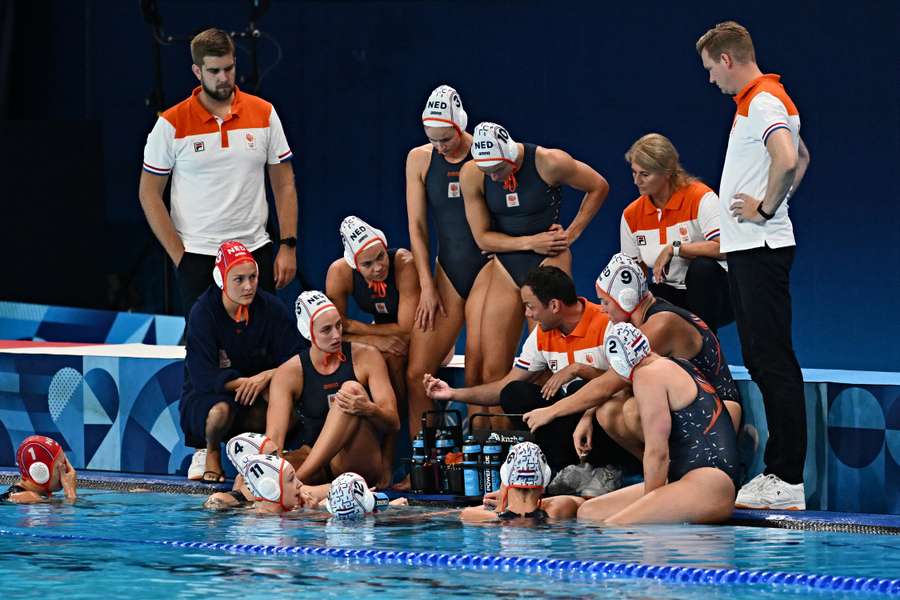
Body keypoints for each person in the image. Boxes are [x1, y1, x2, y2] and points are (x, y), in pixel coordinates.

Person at [696, 21, 811, 509]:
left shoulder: (763, 99)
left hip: (761, 249)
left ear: (727, 59)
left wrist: (765, 209)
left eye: (709, 69)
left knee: (773, 361)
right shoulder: (761, 101)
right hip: (752, 249)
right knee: (766, 359)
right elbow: (802, 157)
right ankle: (783, 476)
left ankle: (787, 479)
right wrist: (774, 204)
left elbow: (787, 158)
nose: (710, 80)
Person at [139, 28, 298, 315]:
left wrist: (288, 245)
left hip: (255, 251)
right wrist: (180, 257)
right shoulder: (171, 124)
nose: (223, 78)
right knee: (209, 353)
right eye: (214, 71)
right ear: (197, 71)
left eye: (229, 68)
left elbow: (284, 182)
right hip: (199, 257)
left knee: (262, 349)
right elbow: (149, 193)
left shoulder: (264, 113)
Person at [424, 266, 638, 477]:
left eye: (530, 306)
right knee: (514, 393)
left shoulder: (607, 324)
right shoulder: (541, 334)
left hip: (602, 420)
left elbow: (626, 383)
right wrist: (452, 393)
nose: (527, 314)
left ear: (554, 305)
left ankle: (605, 469)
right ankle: (563, 470)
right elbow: (502, 388)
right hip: (567, 420)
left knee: (577, 387)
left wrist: (580, 370)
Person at [538, 253, 742, 463]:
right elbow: (615, 384)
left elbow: (608, 384)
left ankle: (677, 471)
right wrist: (587, 415)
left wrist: (551, 412)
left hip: (720, 415)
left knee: (633, 409)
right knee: (608, 411)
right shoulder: (642, 321)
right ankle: (662, 472)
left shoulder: (661, 324)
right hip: (694, 407)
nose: (603, 309)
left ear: (625, 299)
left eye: (605, 302)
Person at [460, 122, 609, 386]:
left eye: (497, 170)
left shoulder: (549, 162)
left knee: (549, 361)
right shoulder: (472, 173)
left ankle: (545, 423)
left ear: (510, 156)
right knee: (492, 367)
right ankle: (498, 428)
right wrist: (531, 242)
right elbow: (482, 237)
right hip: (507, 264)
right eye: (487, 171)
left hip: (549, 259)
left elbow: (598, 186)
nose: (493, 177)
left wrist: (570, 234)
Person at [577, 323, 738, 525]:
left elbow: (657, 452)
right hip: (694, 483)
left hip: (708, 486)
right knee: (590, 512)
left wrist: (647, 507)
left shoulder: (647, 375)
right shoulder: (675, 363)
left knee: (616, 527)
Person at [404, 85, 489, 440]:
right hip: (448, 272)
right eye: (434, 140)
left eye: (447, 139)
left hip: (489, 270)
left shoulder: (486, 154)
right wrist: (426, 285)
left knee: (480, 375)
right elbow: (418, 227)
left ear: (461, 126)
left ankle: (485, 465)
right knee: (417, 373)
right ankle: (428, 465)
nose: (441, 147)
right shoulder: (420, 159)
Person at [180, 241, 303, 482]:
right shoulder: (203, 313)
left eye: (253, 277)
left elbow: (298, 357)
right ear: (221, 279)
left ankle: (266, 457)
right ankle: (210, 450)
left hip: (254, 397)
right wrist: (243, 383)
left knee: (288, 407)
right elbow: (202, 376)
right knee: (220, 412)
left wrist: (266, 377)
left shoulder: (271, 308)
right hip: (209, 397)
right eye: (239, 279)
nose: (248, 286)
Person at [265, 291, 401, 488]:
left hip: (357, 461)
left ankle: (296, 483)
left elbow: (393, 422)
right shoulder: (289, 373)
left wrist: (369, 409)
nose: (337, 335)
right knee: (249, 478)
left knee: (352, 389)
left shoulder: (367, 356)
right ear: (308, 332)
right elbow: (274, 441)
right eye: (326, 330)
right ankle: (292, 485)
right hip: (315, 463)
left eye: (338, 325)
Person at [620, 133, 732, 333]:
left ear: (667, 172)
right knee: (642, 295)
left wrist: (676, 249)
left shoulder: (700, 197)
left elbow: (726, 248)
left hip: (719, 296)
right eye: (634, 173)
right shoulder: (631, 215)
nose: (637, 181)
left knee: (702, 268)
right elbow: (633, 272)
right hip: (672, 297)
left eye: (645, 174)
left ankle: (709, 348)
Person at [325, 216, 419, 408]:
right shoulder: (339, 273)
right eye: (367, 264)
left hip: (423, 330)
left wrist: (351, 325)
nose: (378, 268)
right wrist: (373, 340)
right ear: (354, 264)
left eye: (381, 256)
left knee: (393, 357)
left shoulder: (403, 263)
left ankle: (399, 422)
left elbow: (407, 329)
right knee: (375, 359)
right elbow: (332, 332)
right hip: (381, 332)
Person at [461, 442, 583, 522]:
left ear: (505, 481)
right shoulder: (558, 510)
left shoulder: (488, 518)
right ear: (544, 481)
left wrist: (501, 505)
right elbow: (580, 501)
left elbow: (463, 513)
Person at [1, 436, 77, 503]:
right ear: (41, 471)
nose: (67, 470)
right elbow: (68, 510)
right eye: (61, 466)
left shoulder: (33, 496)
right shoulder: (28, 497)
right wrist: (70, 491)